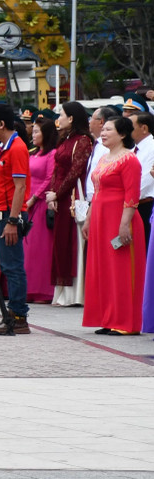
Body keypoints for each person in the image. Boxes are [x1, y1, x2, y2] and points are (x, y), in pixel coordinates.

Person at [83, 116, 147, 335]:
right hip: (101, 219)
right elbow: (97, 192)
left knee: (120, 270)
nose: (103, 133)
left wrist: (124, 224)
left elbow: (132, 195)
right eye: (103, 129)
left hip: (120, 219)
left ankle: (125, 322)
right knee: (103, 269)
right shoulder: (103, 158)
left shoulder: (129, 160)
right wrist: (89, 219)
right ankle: (108, 317)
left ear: (122, 134)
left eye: (108, 129)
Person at [0, 104, 31, 334]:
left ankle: (18, 316)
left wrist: (13, 221)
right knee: (8, 265)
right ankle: (13, 314)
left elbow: (20, 187)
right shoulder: (6, 146)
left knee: (12, 266)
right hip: (2, 213)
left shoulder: (17, 148)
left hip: (9, 215)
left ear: (1, 124)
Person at [48, 102, 93, 307]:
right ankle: (62, 292)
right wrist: (52, 194)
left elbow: (76, 171)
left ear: (72, 118)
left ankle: (76, 294)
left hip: (73, 196)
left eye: (62, 114)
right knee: (61, 243)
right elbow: (57, 169)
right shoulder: (64, 140)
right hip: (60, 196)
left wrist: (57, 193)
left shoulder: (83, 141)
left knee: (73, 243)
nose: (59, 118)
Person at [23, 118, 58, 304]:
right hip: (27, 202)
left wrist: (34, 198)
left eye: (37, 131)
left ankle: (43, 290)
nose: (33, 135)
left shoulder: (52, 153)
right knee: (27, 249)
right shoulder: (33, 154)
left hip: (41, 203)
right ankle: (28, 288)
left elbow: (49, 178)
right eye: (33, 131)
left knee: (40, 249)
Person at [132, 112, 154, 248]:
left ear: (144, 128)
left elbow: (144, 182)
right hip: (133, 205)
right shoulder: (134, 149)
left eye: (130, 126)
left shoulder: (152, 147)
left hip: (144, 205)